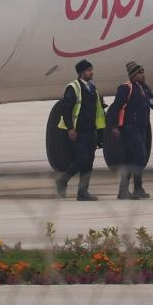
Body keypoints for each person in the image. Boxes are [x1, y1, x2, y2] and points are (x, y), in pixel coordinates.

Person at [109, 61, 153, 200]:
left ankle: (133, 189)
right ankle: (129, 188)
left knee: (130, 158)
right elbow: (115, 107)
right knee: (140, 155)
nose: (143, 75)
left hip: (141, 127)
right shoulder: (126, 88)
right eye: (140, 73)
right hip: (129, 127)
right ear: (134, 75)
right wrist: (114, 126)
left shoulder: (144, 88)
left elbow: (152, 101)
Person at [55, 60, 104, 201]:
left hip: (91, 130)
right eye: (89, 70)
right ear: (81, 73)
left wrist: (100, 131)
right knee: (82, 159)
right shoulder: (73, 88)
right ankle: (63, 180)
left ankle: (83, 192)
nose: (91, 72)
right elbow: (66, 110)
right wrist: (70, 129)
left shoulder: (92, 88)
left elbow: (98, 111)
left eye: (91, 69)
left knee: (89, 162)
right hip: (79, 130)